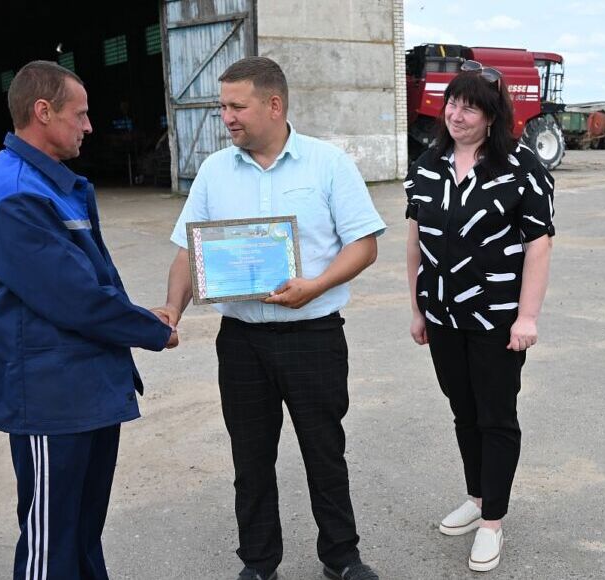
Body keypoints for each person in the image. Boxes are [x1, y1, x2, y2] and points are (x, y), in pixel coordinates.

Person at [155, 56, 385, 580]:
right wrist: (172, 309)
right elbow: (189, 251)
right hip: (242, 341)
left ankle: (341, 557)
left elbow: (364, 245)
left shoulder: (327, 164)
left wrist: (316, 286)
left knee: (324, 452)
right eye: (222, 107)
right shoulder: (214, 171)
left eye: (236, 106)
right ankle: (259, 563)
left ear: (274, 105)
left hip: (314, 335)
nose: (226, 117)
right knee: (251, 458)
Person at [0, 60, 178, 580]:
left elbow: (86, 279)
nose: (89, 126)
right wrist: (152, 329)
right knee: (51, 544)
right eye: (79, 115)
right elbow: (75, 298)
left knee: (81, 533)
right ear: (43, 112)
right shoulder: (17, 193)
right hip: (49, 397)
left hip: (80, 388)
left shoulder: (50, 183)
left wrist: (135, 315)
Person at [404, 61, 555, 572]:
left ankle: (493, 521)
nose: (457, 114)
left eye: (470, 107)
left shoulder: (522, 166)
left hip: (496, 317)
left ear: (492, 116)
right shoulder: (428, 165)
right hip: (442, 314)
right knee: (463, 410)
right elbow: (415, 242)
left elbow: (538, 245)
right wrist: (418, 308)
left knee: (495, 415)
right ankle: (476, 496)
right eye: (453, 103)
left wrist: (527, 317)